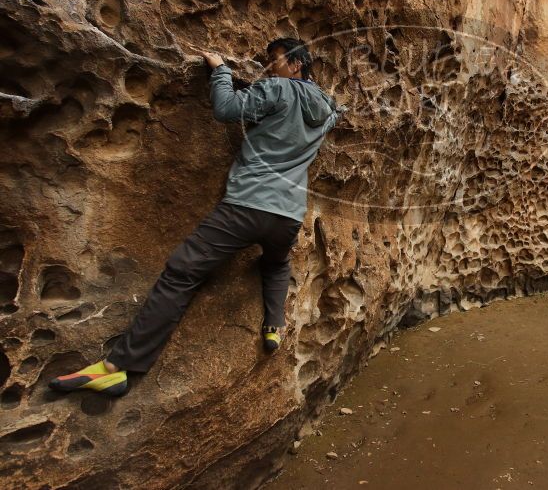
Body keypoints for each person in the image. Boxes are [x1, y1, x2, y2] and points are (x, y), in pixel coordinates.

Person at [49, 37, 340, 396]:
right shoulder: (327, 108)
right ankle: (274, 327)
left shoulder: (278, 88)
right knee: (277, 263)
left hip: (246, 206)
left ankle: (117, 367)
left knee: (180, 273)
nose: (269, 67)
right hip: (288, 215)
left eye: (274, 60)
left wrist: (220, 71)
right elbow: (307, 113)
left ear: (296, 64)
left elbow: (227, 109)